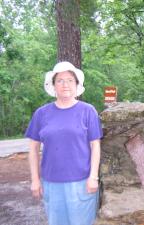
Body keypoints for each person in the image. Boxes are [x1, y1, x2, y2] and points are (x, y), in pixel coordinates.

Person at [25, 61, 103, 225]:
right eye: (60, 80)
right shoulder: (41, 113)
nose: (65, 84)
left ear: (76, 84)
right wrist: (35, 180)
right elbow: (33, 149)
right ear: (53, 85)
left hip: (82, 183)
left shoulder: (88, 111)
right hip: (51, 184)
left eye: (69, 80)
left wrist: (93, 177)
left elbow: (95, 146)